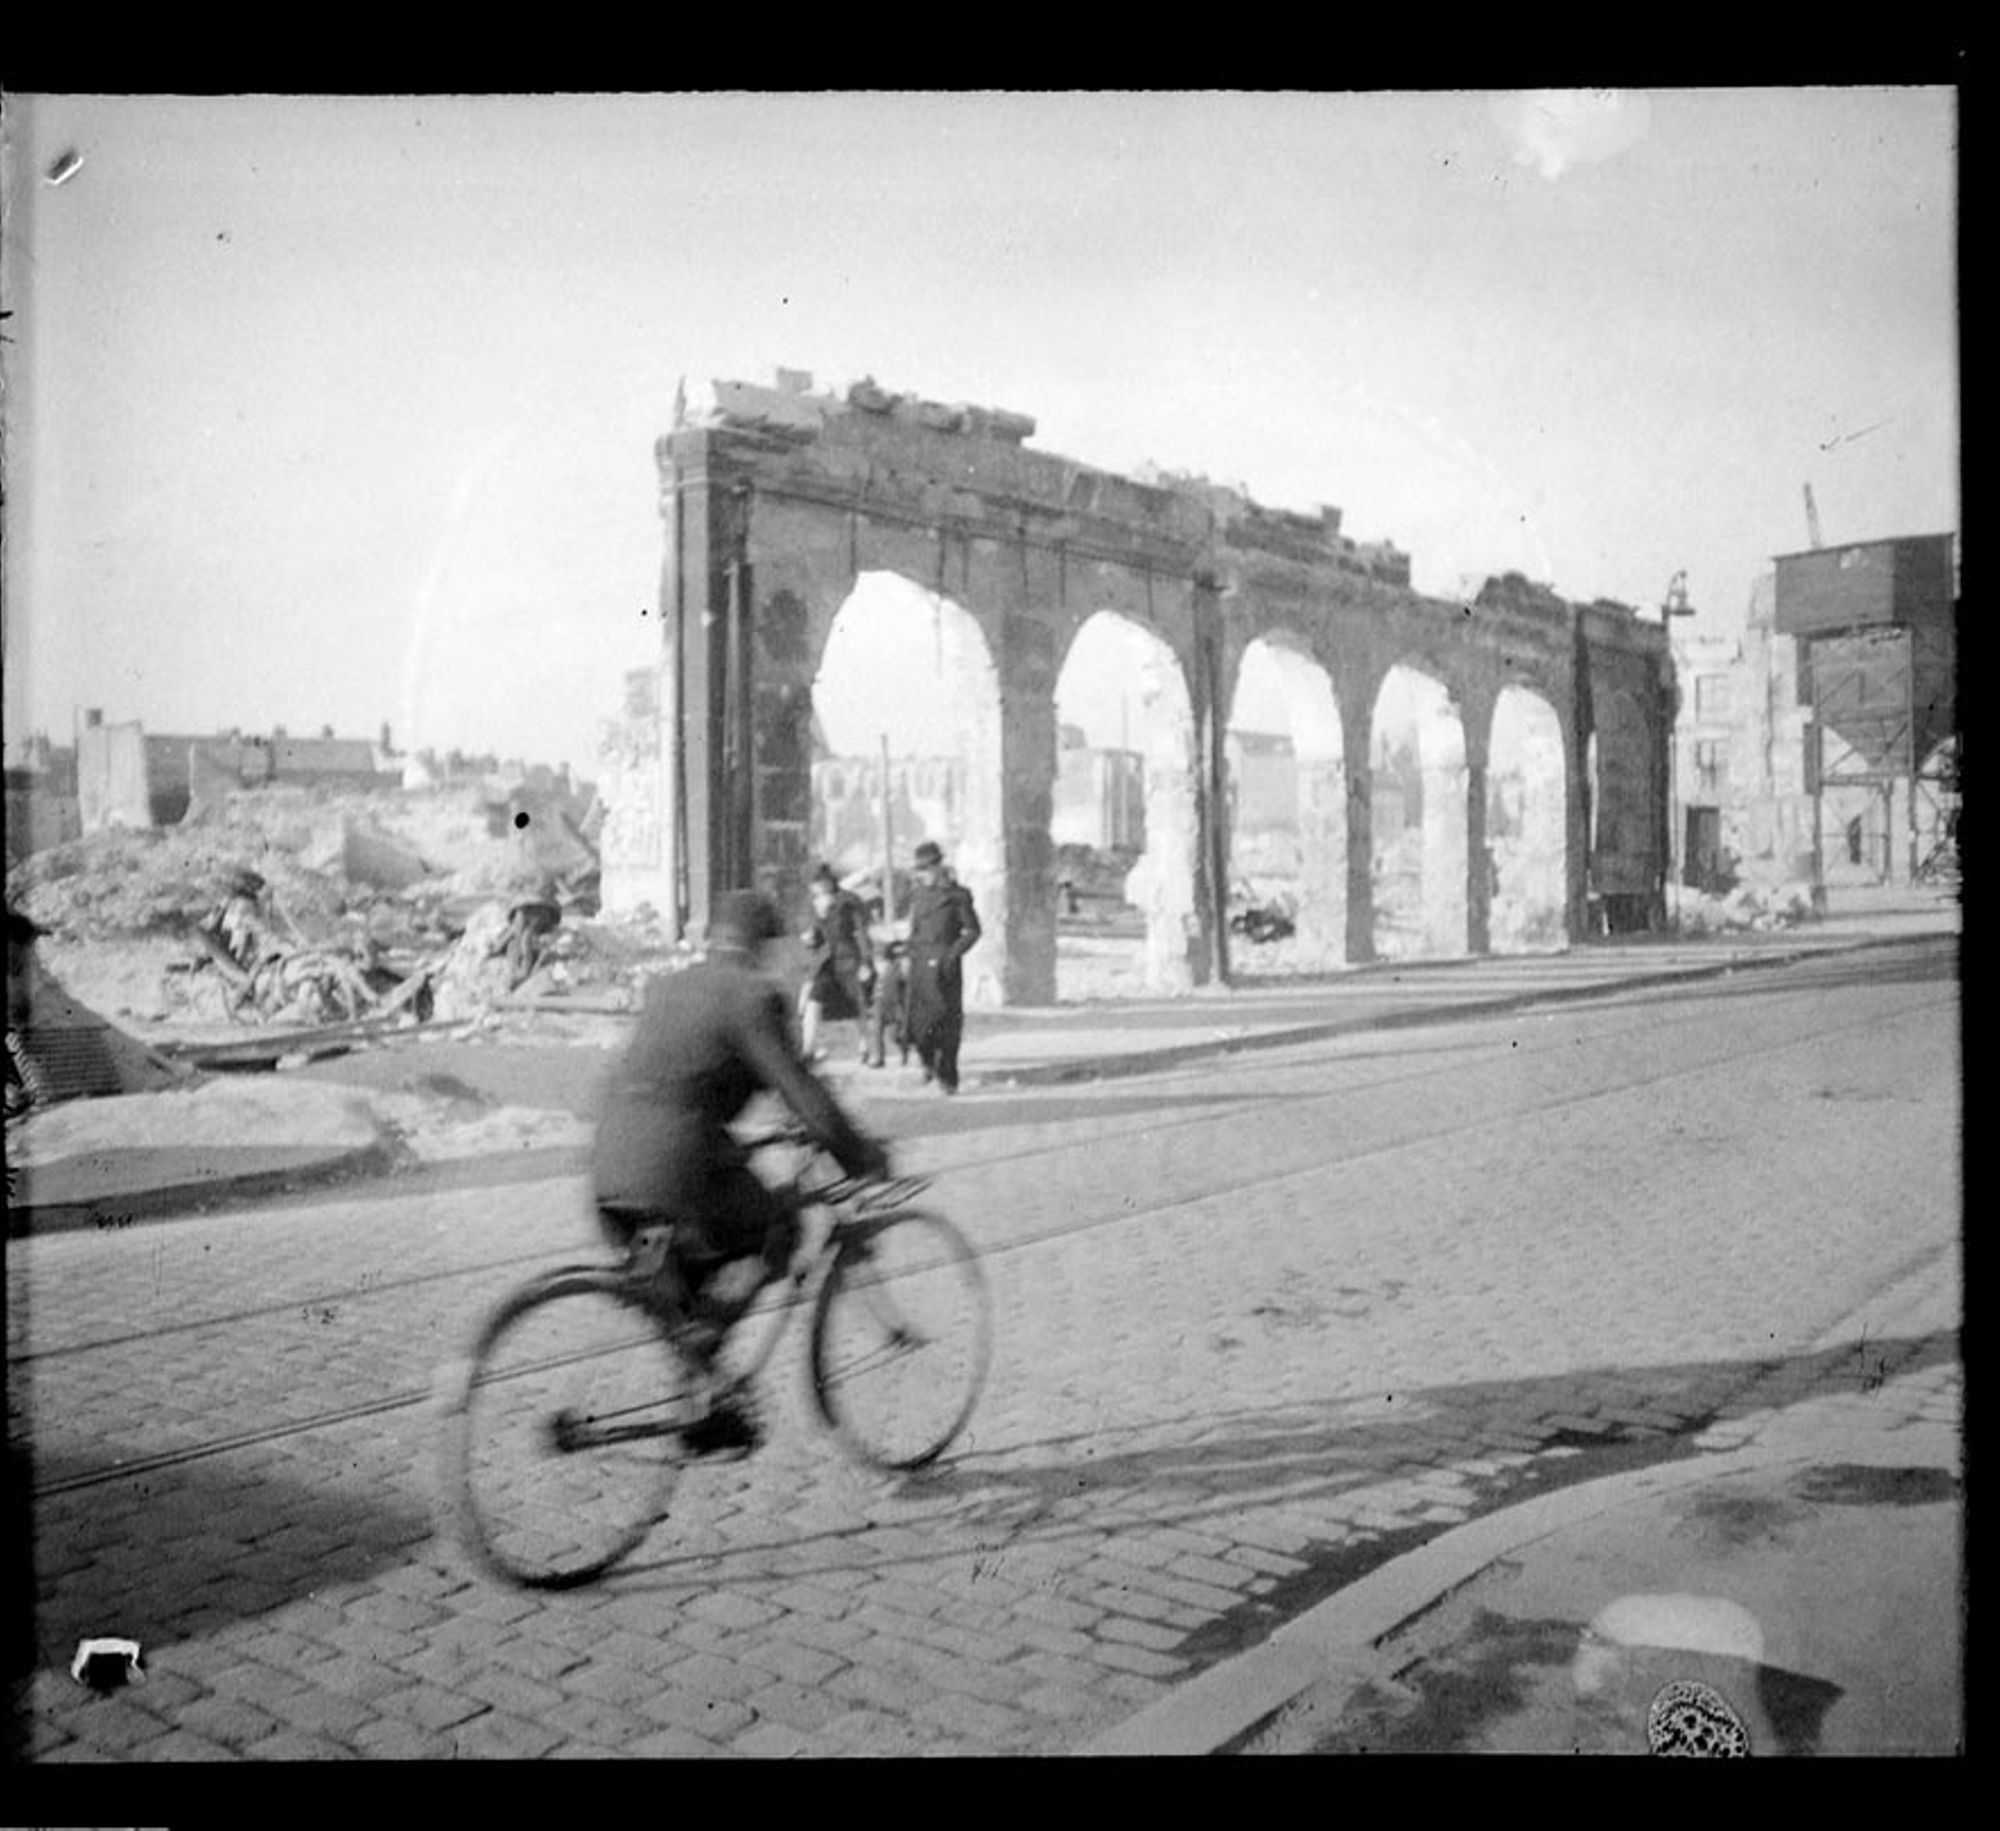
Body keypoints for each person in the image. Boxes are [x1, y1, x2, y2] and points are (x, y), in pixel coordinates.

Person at [593, 889, 891, 1452]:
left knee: (682, 1282)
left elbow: (698, 1072)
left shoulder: (672, 984)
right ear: (765, 946)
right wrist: (860, 1155)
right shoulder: (753, 995)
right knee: (781, 1229)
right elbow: (799, 1092)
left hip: (610, 1172)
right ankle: (706, 1377)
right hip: (672, 1173)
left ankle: (704, 1397)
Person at [903, 840, 981, 1094]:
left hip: (945, 968)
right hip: (919, 965)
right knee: (918, 1025)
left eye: (927, 868)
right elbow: (914, 930)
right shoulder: (917, 894)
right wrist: (906, 954)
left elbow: (973, 931)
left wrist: (951, 956)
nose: (923, 873)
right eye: (919, 869)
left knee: (947, 1023)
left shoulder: (958, 896)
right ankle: (927, 1061)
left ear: (938, 866)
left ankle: (948, 1076)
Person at [797, 864, 876, 1064]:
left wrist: (866, 961)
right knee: (813, 1001)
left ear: (828, 883)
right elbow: (816, 934)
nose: (815, 892)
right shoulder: (815, 904)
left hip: (848, 957)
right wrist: (810, 938)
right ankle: (807, 1050)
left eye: (818, 887)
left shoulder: (848, 901)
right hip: (825, 961)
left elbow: (861, 932)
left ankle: (865, 1045)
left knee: (857, 1002)